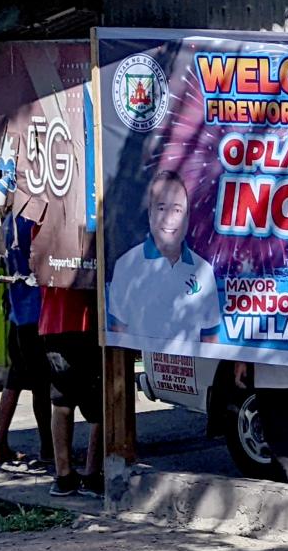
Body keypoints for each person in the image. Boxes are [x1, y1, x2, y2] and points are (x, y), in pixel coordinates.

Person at [108, 168, 223, 344]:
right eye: (162, 208)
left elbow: (210, 337)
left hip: (191, 369)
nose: (169, 218)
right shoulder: (126, 265)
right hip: (142, 367)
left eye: (177, 210)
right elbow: (118, 331)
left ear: (187, 217)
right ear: (149, 214)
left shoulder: (204, 271)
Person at [0, 206, 53, 470]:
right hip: (35, 311)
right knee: (41, 384)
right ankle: (48, 448)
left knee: (15, 379)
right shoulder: (35, 221)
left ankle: (0, 443)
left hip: (16, 310)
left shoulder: (9, 222)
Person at [41, 284, 103, 497]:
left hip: (55, 322)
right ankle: (92, 475)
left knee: (62, 401)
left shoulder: (46, 249)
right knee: (101, 404)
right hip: (90, 320)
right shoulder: (90, 249)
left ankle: (64, 475)